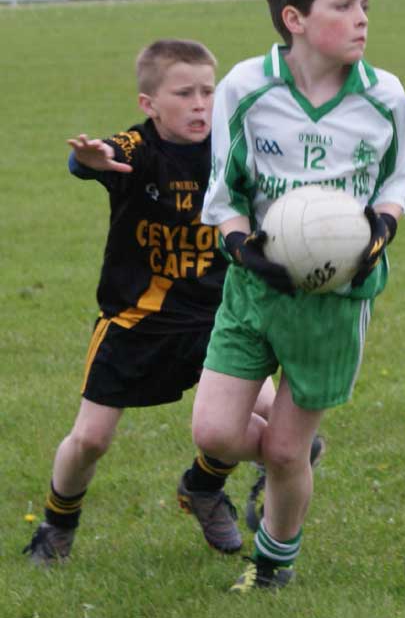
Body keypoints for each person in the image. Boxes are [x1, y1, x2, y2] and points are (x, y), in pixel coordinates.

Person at [191, 0, 405, 593]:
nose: (362, 19)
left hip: (335, 298)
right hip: (253, 288)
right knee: (214, 431)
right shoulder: (246, 86)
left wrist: (381, 227)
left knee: (286, 452)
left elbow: (401, 175)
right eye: (344, 5)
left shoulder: (384, 97)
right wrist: (241, 247)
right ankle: (284, 463)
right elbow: (223, 192)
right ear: (294, 18)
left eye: (366, 6)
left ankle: (272, 567)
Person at [22, 38, 287, 565]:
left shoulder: (230, 148)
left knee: (274, 418)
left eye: (208, 91)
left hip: (220, 315)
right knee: (92, 438)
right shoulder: (139, 148)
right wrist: (87, 159)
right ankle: (56, 524)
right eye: (184, 93)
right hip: (137, 320)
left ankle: (203, 486)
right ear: (149, 104)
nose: (200, 104)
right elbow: (105, 156)